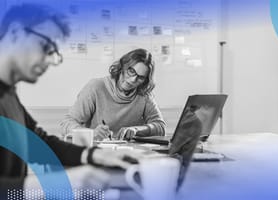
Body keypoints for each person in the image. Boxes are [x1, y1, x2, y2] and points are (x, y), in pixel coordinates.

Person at [0, 3, 139, 199]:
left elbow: (40, 143)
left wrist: (95, 155)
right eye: (46, 46)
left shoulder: (8, 94)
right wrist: (58, 183)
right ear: (15, 32)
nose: (50, 60)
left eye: (54, 53)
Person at [60, 48, 166, 141]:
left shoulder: (144, 94)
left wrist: (137, 130)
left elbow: (160, 127)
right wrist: (91, 133)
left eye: (140, 77)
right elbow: (66, 123)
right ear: (123, 66)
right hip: (97, 152)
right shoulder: (96, 87)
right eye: (131, 71)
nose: (133, 79)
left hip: (129, 153)